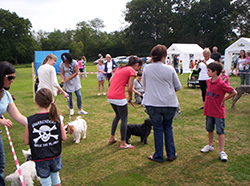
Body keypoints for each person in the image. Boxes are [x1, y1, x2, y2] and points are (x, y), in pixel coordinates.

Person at [142, 44, 181, 163]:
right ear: (164, 56)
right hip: (169, 104)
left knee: (158, 129)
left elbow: (144, 86)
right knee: (168, 127)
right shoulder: (170, 69)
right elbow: (178, 87)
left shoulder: (147, 69)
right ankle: (171, 154)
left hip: (153, 104)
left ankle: (158, 155)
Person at [25, 88, 67, 186]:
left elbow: (26, 141)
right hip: (55, 155)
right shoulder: (57, 117)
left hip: (40, 157)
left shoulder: (29, 120)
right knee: (56, 178)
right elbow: (64, 137)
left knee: (45, 182)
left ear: (36, 102)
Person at [201, 62, 237, 161]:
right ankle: (210, 145)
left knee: (220, 131)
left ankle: (222, 151)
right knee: (209, 129)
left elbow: (234, 92)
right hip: (209, 111)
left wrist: (224, 99)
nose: (207, 72)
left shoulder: (221, 84)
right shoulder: (208, 82)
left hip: (218, 112)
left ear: (215, 72)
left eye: (209, 70)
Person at [0, 61, 27, 186]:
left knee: (1, 165)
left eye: (13, 77)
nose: (12, 80)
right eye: (9, 77)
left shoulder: (6, 95)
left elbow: (18, 116)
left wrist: (34, 124)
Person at [107, 56, 142, 149]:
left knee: (118, 115)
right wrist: (130, 98)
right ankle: (123, 143)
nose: (138, 70)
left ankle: (112, 138)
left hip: (110, 95)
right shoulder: (132, 71)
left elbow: (110, 81)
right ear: (136, 65)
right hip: (119, 97)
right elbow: (130, 88)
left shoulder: (120, 68)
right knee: (124, 119)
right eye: (139, 67)